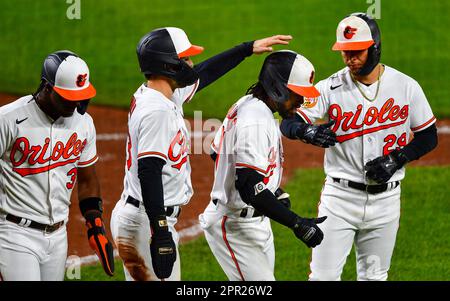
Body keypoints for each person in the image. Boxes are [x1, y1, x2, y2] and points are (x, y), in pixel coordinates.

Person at [110, 27, 293, 281]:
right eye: (185, 58)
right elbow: (149, 171)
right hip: (147, 222)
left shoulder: (162, 94)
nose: (191, 63)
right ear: (169, 64)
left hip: (145, 218)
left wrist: (246, 49)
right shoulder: (157, 111)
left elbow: (204, 73)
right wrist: (160, 231)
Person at [280, 13, 438, 281]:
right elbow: (289, 120)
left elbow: (428, 136)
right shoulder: (330, 88)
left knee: (375, 277)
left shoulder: (405, 86)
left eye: (357, 51)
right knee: (322, 278)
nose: (350, 58)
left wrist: (398, 158)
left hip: (386, 202)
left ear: (375, 47)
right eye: (345, 52)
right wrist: (305, 130)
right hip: (339, 201)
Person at [199, 50, 327, 281]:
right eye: (297, 94)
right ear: (277, 87)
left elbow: (216, 151)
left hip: (253, 222)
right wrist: (297, 224)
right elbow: (248, 186)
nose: (301, 101)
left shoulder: (250, 102)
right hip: (236, 224)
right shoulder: (255, 119)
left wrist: (271, 190)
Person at [0, 50, 114, 281]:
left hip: (58, 237)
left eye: (80, 96)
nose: (76, 103)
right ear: (47, 87)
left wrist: (95, 223)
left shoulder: (84, 123)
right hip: (14, 234)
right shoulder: (9, 119)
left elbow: (87, 178)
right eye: (68, 97)